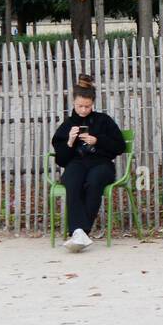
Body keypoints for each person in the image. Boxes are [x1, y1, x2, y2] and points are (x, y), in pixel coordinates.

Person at [51, 74, 126, 252]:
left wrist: (97, 140)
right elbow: (61, 160)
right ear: (73, 103)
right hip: (76, 163)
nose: (84, 110)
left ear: (93, 103)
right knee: (71, 180)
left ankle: (80, 232)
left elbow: (119, 146)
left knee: (95, 180)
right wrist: (69, 142)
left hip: (101, 164)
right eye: (80, 106)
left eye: (87, 106)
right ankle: (80, 233)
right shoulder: (67, 125)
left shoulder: (104, 121)